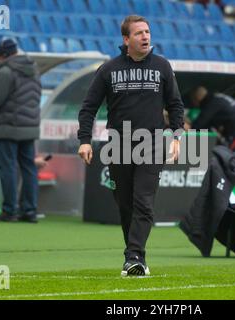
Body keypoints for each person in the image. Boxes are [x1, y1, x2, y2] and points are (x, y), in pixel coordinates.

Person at [77, 15, 184, 277]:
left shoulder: (162, 66)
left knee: (144, 202)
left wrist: (177, 137)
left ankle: (133, 256)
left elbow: (175, 105)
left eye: (147, 32)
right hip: (119, 144)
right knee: (125, 205)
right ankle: (136, 256)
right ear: (126, 39)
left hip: (152, 143)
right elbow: (89, 108)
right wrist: (84, 141)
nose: (146, 37)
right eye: (139, 33)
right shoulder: (108, 70)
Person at [0, 39, 42, 223]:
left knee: (8, 167)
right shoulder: (33, 69)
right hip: (29, 127)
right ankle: (30, 211)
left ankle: (10, 210)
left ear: (3, 55)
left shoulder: (6, 71)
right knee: (28, 168)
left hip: (9, 126)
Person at [185, 86, 235, 170]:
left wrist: (186, 124)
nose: (194, 104)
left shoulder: (212, 103)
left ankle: (225, 182)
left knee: (228, 161)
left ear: (196, 98)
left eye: (193, 101)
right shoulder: (218, 98)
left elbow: (199, 125)